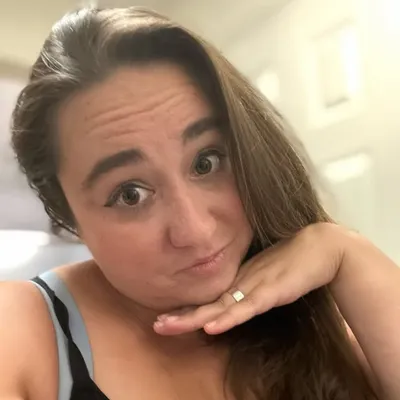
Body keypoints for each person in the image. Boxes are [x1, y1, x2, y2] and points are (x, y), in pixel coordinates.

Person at [1, 6, 399, 400]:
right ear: (67, 215)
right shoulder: (20, 329)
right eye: (130, 194)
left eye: (206, 162)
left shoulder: (320, 315)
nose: (196, 230)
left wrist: (347, 252)